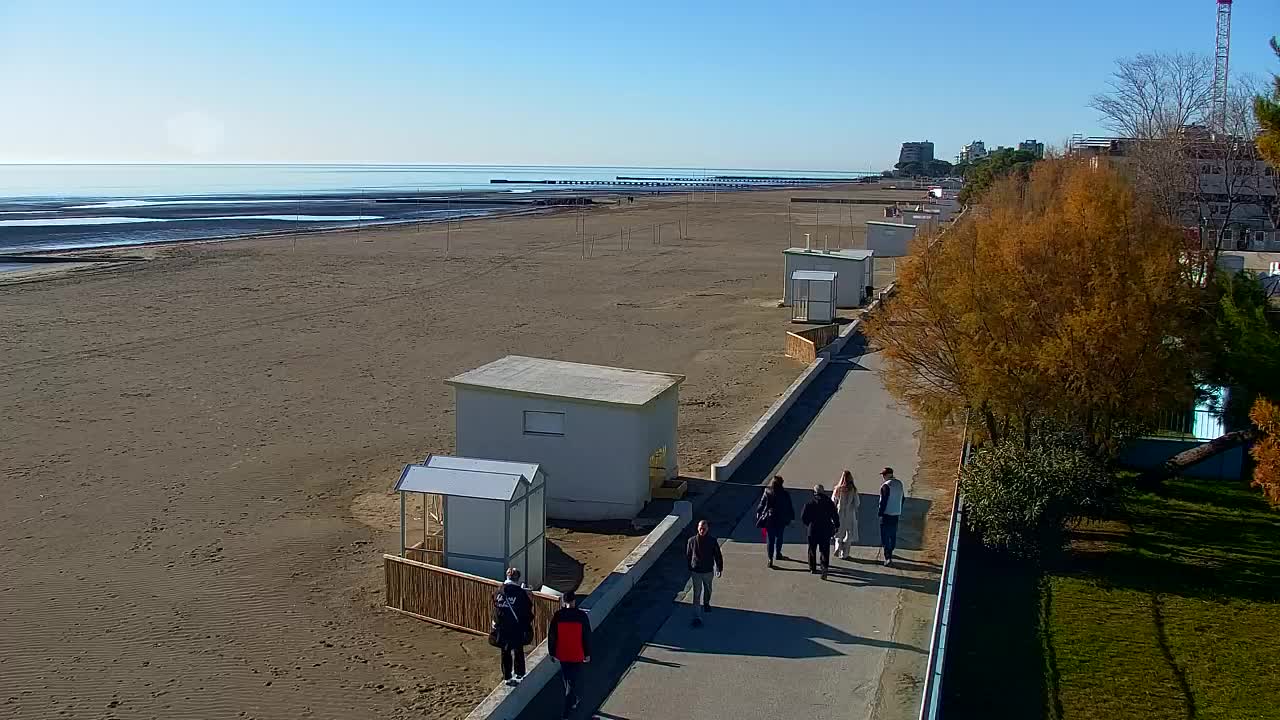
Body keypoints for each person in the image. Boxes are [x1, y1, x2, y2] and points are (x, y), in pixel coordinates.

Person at [548, 590, 591, 717]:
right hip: (577, 653)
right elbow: (586, 636)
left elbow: (552, 636)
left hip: (563, 653)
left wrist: (552, 652)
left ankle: (572, 700)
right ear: (573, 601)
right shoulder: (581, 616)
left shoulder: (558, 616)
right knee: (573, 681)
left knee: (567, 678)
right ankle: (567, 711)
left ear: (563, 601)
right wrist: (587, 653)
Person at [492, 567, 534, 686]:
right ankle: (519, 673)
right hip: (516, 627)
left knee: (505, 651)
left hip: (502, 627)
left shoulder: (499, 591)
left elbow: (495, 607)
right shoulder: (520, 593)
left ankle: (507, 676)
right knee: (518, 649)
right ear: (517, 578)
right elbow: (527, 609)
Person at [684, 519, 724, 627]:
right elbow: (688, 555)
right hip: (696, 571)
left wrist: (719, 568)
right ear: (697, 528)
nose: (702, 530)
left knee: (708, 589)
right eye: (700, 528)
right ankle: (697, 617)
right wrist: (690, 568)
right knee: (696, 594)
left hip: (708, 571)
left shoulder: (712, 541)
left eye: (704, 529)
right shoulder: (691, 541)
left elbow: (717, 555)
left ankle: (706, 603)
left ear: (707, 529)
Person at [801, 484, 840, 579]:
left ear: (815, 493)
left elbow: (803, 517)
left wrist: (808, 523)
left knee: (812, 549)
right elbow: (835, 515)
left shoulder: (810, 504)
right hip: (825, 529)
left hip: (813, 529)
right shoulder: (829, 503)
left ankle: (812, 567)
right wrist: (836, 526)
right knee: (824, 550)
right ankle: (824, 568)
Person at [756, 475, 795, 568]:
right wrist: (792, 518)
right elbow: (789, 507)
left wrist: (759, 512)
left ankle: (770, 558)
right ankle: (778, 553)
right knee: (780, 536)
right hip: (781, 518)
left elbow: (762, 504)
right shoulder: (785, 494)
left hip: (770, 518)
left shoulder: (767, 491)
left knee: (770, 538)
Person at [878, 467, 904, 567]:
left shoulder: (886, 486)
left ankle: (887, 557)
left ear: (888, 474)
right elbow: (903, 498)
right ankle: (891, 550)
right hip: (896, 513)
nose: (883, 477)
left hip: (886, 514)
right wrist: (899, 508)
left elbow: (883, 501)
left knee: (885, 535)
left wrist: (880, 513)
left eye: (884, 474)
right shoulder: (899, 483)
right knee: (893, 534)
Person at [832, 470, 860, 560]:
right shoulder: (853, 489)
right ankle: (845, 554)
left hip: (840, 512)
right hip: (850, 513)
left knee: (838, 531)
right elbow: (857, 503)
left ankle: (837, 547)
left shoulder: (838, 489)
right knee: (849, 533)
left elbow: (833, 500)